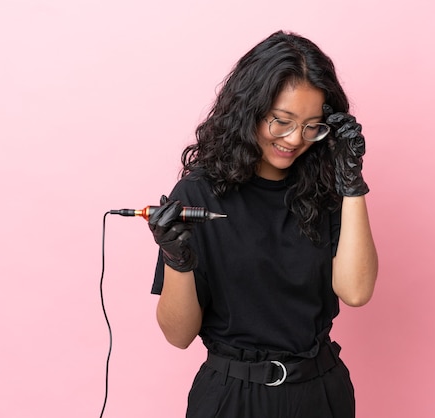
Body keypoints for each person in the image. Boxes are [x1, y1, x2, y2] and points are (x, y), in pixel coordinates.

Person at [148, 30, 378, 418]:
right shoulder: (199, 193)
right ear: (250, 110)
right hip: (231, 397)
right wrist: (177, 260)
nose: (295, 140)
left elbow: (355, 291)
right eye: (282, 122)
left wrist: (351, 184)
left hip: (320, 393)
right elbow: (178, 335)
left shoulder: (325, 187)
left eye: (312, 126)